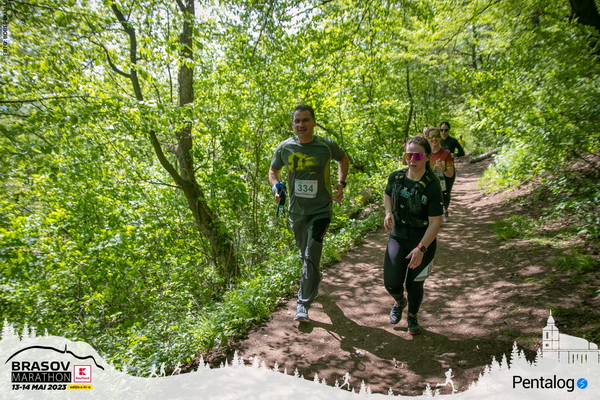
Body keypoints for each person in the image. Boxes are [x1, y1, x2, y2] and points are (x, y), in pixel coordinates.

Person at [269, 105, 349, 322]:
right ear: (292, 124)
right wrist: (276, 187)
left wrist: (341, 183)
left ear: (313, 122)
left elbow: (343, 159)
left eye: (305, 120)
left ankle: (302, 304)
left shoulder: (326, 145)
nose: (301, 125)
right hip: (296, 211)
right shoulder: (285, 147)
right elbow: (273, 170)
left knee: (311, 254)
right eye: (297, 121)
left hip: (321, 210)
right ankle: (314, 277)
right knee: (305, 255)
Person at [383, 136, 443, 335]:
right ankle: (399, 301)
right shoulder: (396, 177)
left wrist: (421, 248)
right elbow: (388, 194)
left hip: (423, 241)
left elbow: (435, 222)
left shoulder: (432, 186)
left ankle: (412, 316)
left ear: (427, 157)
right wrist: (388, 212)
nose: (412, 160)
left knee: (415, 284)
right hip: (398, 236)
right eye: (409, 155)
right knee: (391, 282)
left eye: (417, 155)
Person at [426, 127, 454, 222]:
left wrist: (443, 168)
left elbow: (450, 173)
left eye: (437, 136)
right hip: (427, 183)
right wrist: (406, 150)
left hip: (441, 183)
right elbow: (406, 163)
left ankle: (444, 211)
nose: (434, 139)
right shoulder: (424, 153)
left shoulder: (446, 153)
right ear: (427, 138)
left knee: (442, 200)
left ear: (440, 137)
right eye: (431, 136)